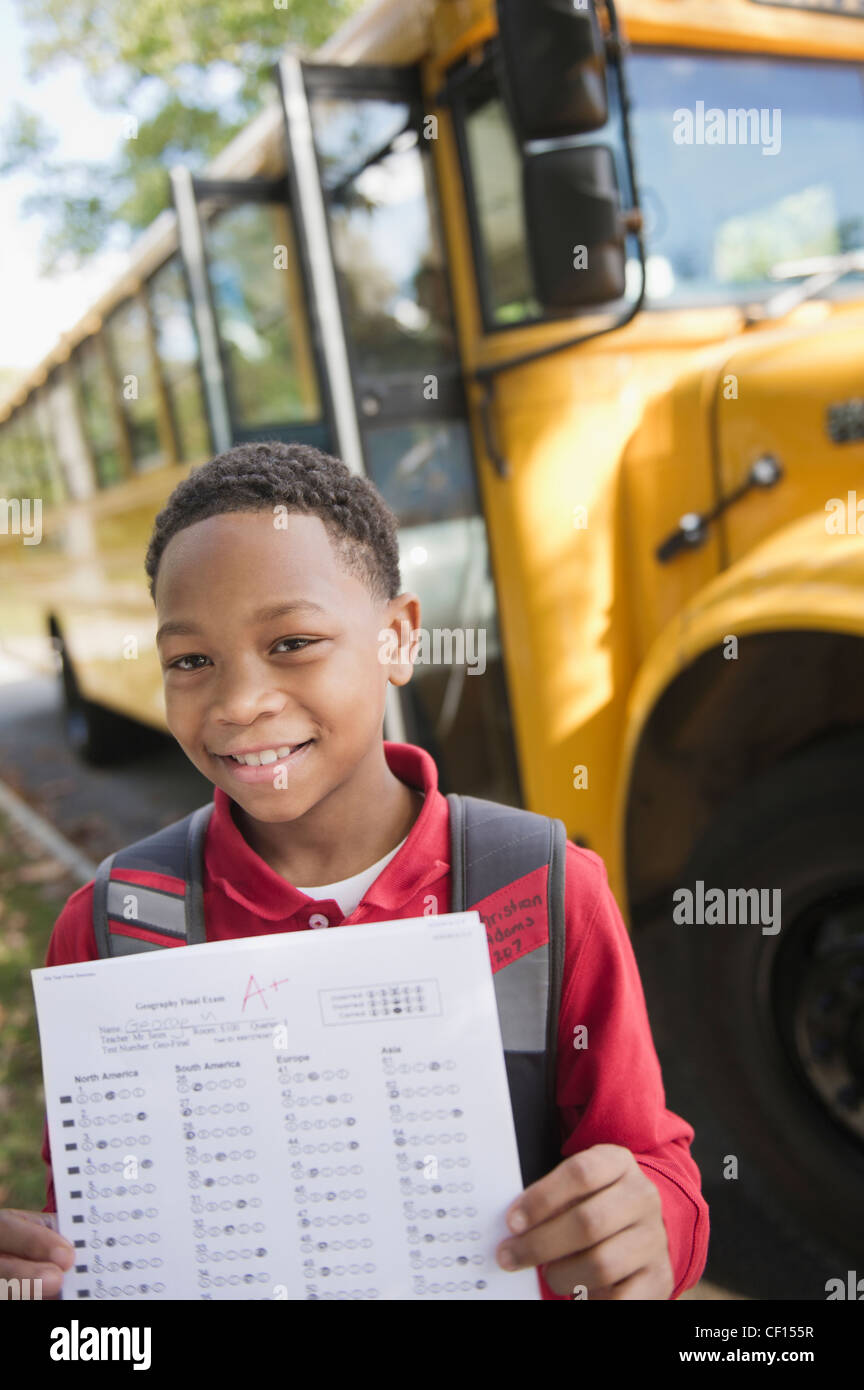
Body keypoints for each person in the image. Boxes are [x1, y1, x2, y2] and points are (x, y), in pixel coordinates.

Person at [0, 442, 708, 1301]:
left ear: (398, 637)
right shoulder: (111, 926)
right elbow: (100, 1233)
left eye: (292, 642)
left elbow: (649, 1163)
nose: (236, 703)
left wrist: (651, 1226)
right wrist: (43, 1273)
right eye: (191, 661)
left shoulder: (545, 887)